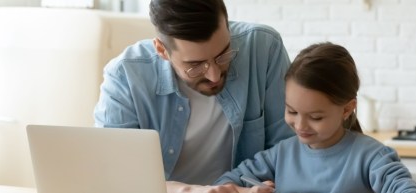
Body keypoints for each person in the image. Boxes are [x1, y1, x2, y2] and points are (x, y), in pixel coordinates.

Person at [93, 0, 295, 192]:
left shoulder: (264, 49)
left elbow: (287, 151)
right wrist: (192, 190)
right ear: (162, 50)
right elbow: (116, 177)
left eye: (223, 54)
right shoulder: (125, 77)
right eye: (195, 65)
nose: (214, 75)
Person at [214, 42, 416, 193]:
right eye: (292, 111)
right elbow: (225, 184)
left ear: (347, 109)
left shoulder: (372, 157)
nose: (300, 125)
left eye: (315, 117)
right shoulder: (280, 155)